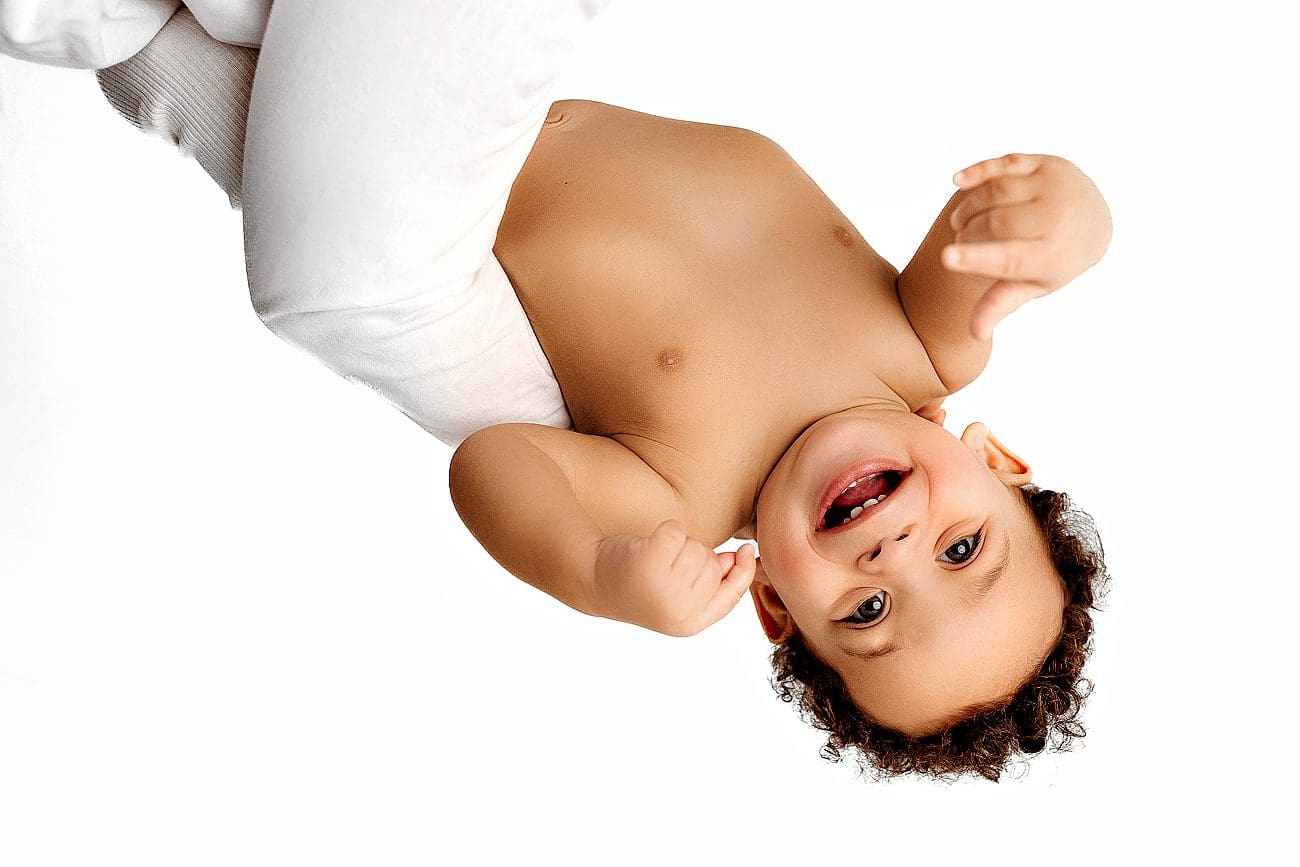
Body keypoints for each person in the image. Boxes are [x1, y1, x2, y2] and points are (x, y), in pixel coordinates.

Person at [2, 1, 1112, 780]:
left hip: (424, 175)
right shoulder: (923, 345)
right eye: (964, 550)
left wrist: (599, 571)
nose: (894, 555)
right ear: (998, 463)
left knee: (288, 196)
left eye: (866, 615)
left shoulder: (671, 496)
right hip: (431, 100)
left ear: (775, 605)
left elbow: (490, 462)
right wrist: (1066, 219)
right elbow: (1014, 251)